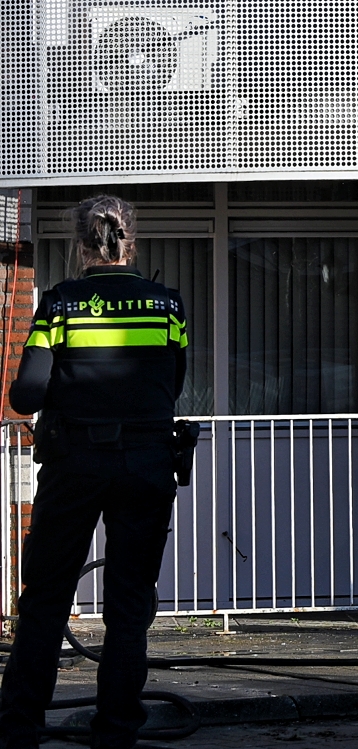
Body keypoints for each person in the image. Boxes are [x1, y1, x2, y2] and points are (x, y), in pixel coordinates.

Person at [0, 196, 187, 749]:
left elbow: (25, 394)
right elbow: (170, 386)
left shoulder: (60, 305)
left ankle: (19, 729)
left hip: (74, 463)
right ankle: (116, 733)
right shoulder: (166, 307)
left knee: (47, 599)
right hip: (149, 464)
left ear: (82, 246)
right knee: (130, 606)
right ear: (131, 242)